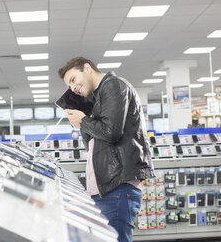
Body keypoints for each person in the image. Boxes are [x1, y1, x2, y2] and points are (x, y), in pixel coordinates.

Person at [58, 57, 155, 242]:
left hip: (117, 188)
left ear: (87, 68)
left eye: (73, 80)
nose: (73, 88)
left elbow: (111, 133)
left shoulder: (113, 86)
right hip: (105, 189)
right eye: (69, 86)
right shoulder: (96, 98)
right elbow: (94, 146)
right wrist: (84, 117)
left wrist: (84, 121)